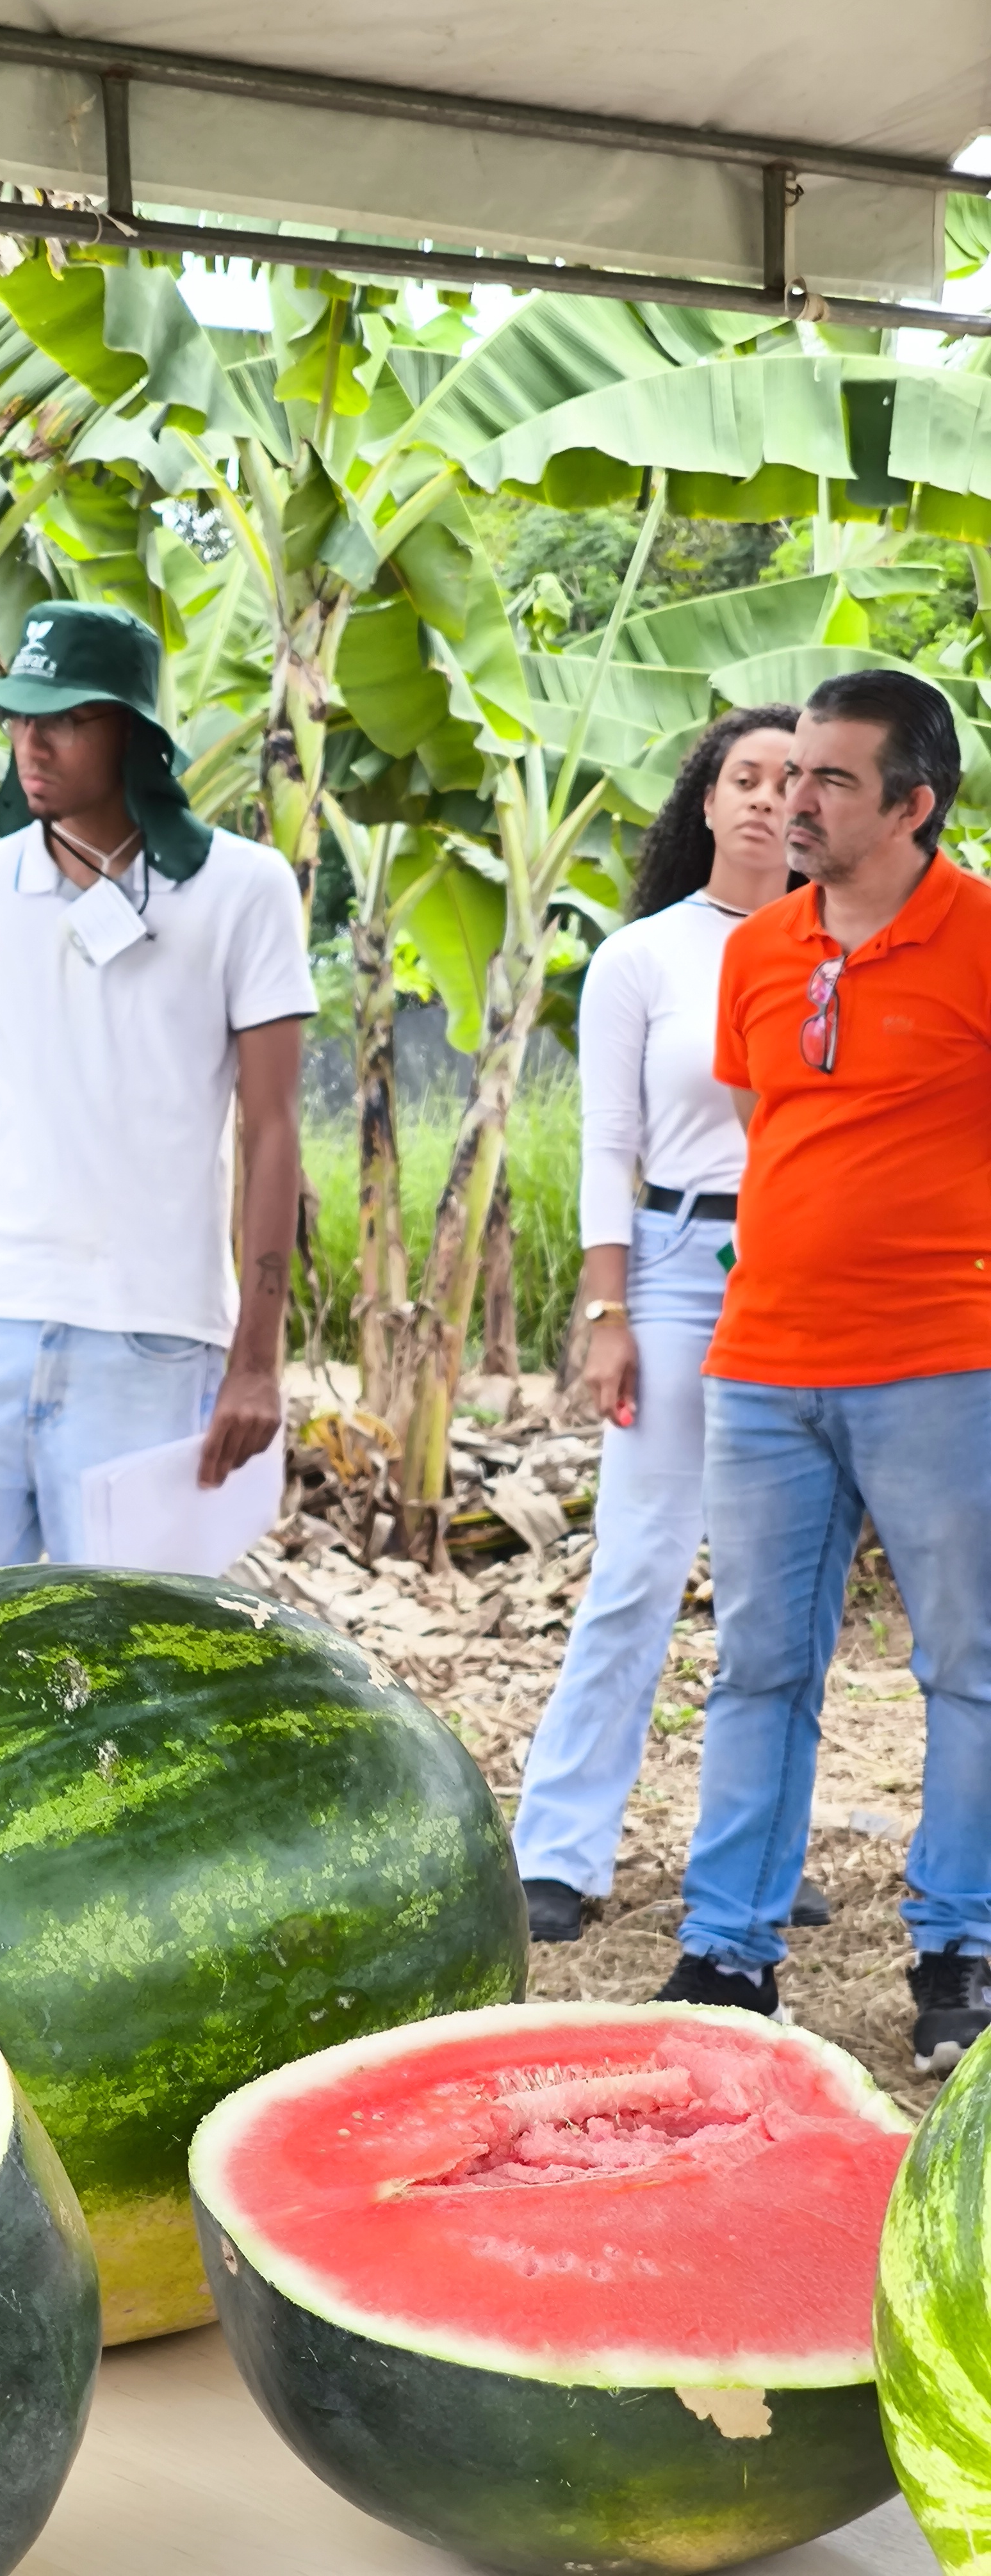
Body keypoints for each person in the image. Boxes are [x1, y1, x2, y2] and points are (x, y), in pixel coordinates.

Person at [650, 669, 991, 2075]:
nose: (795, 798)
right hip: (766, 1365)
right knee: (757, 1666)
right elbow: (762, 1117)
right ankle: (730, 1949)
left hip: (944, 1363)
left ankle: (956, 1941)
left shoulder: (983, 940)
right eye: (793, 775)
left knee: (969, 1666)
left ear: (914, 805)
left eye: (832, 780)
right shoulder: (759, 951)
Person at [0, 599, 316, 1589]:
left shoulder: (245, 890)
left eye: (66, 718)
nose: (32, 742)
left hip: (155, 1342)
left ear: (135, 734)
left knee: (126, 1678)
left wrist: (256, 1358)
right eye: (21, 717)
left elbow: (273, 1128)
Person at [511, 706, 798, 1944]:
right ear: (706, 798)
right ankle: (558, 1853)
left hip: (807, 1263)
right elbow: (608, 1149)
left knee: (779, 1584)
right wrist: (605, 1306)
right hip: (678, 1262)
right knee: (637, 1563)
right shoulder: (644, 957)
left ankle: (756, 1848)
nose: (767, 800)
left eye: (794, 780)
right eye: (744, 776)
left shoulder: (839, 948)